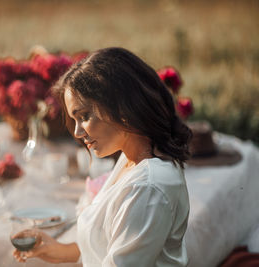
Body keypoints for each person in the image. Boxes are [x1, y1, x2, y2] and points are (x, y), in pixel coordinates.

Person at [13, 47, 192, 266]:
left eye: (84, 116)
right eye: (74, 119)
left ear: (122, 107)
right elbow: (112, 242)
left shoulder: (147, 188)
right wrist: (60, 250)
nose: (78, 132)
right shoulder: (133, 159)